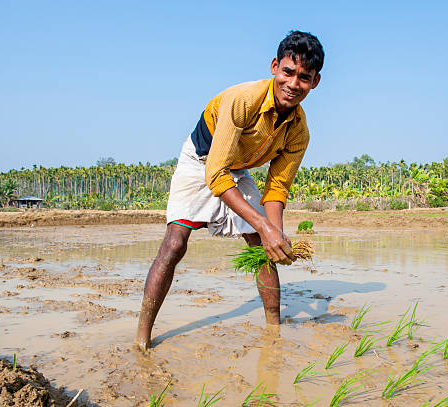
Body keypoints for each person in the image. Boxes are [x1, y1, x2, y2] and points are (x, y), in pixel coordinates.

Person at [136, 31, 324, 350]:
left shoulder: (299, 131)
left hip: (236, 166)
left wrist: (275, 233)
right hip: (202, 159)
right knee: (174, 243)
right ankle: (142, 336)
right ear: (275, 66)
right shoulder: (242, 100)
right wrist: (264, 225)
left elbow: (277, 188)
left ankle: (274, 331)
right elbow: (216, 174)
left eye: (304, 78)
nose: (293, 84)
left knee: (260, 246)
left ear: (315, 82)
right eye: (288, 72)